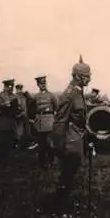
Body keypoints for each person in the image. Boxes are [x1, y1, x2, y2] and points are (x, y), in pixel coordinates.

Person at [51, 55, 91, 208]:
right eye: (86, 76)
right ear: (77, 76)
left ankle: (61, 201)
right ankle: (59, 205)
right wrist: (59, 146)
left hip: (76, 138)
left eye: (89, 76)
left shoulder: (78, 92)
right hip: (69, 140)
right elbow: (60, 120)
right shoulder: (69, 94)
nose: (89, 79)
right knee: (67, 173)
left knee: (69, 172)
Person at [0, 79, 21, 168]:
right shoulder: (0, 96)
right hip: (1, 123)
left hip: (10, 123)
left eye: (12, 86)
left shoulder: (14, 97)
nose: (11, 88)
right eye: (9, 86)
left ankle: (4, 162)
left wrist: (9, 107)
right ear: (5, 86)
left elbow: (16, 109)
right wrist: (7, 105)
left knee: (8, 143)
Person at [33, 75, 58, 169]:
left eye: (44, 83)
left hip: (49, 121)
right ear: (38, 85)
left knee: (49, 143)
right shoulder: (36, 96)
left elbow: (57, 107)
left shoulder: (51, 95)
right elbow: (33, 108)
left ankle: (51, 161)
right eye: (41, 84)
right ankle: (42, 163)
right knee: (41, 144)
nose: (43, 85)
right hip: (39, 121)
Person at [14, 84, 36, 149]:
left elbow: (32, 101)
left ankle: (27, 143)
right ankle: (17, 144)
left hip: (25, 116)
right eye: (18, 89)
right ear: (16, 89)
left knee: (26, 130)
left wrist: (27, 94)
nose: (19, 91)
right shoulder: (14, 97)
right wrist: (18, 114)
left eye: (20, 89)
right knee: (18, 131)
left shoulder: (24, 97)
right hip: (18, 116)